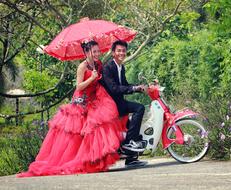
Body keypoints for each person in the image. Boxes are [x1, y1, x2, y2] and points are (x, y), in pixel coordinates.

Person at [17, 40, 127, 177]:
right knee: (77, 135)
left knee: (96, 129)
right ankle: (76, 160)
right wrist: (92, 78)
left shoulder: (98, 64)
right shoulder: (82, 66)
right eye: (94, 51)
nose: (97, 53)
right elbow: (79, 87)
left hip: (96, 98)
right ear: (87, 52)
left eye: (98, 51)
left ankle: (94, 161)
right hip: (82, 100)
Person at [102, 40, 147, 168]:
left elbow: (125, 85)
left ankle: (131, 159)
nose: (122, 53)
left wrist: (138, 87)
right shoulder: (108, 67)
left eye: (123, 51)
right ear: (113, 53)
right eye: (119, 51)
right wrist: (132, 89)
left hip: (119, 102)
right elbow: (114, 88)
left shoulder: (121, 67)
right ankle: (130, 142)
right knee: (139, 108)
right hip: (112, 104)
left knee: (133, 125)